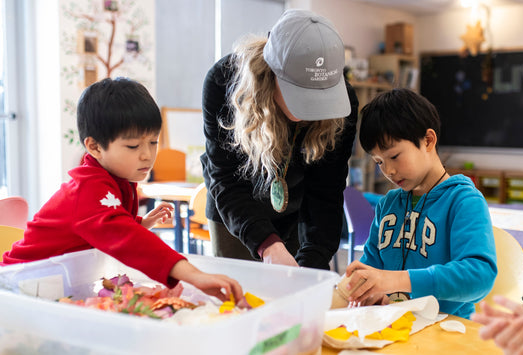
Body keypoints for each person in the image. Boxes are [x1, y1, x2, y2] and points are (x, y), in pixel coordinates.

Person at [2, 78, 243, 303]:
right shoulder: (88, 189)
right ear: (95, 146)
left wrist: (139, 222)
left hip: (54, 284)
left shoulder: (116, 179)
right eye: (132, 145)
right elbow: (124, 237)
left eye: (153, 142)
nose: (147, 155)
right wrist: (192, 274)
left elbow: (107, 227)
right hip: (19, 285)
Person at [201, 9, 359, 270]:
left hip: (297, 210)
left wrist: (312, 263)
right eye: (300, 95)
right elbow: (226, 180)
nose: (310, 111)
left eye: (319, 98)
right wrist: (268, 245)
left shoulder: (344, 106)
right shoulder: (224, 82)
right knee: (241, 298)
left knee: (300, 290)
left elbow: (327, 192)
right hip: (235, 209)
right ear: (271, 72)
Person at [342, 88, 497, 319]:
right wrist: (365, 287)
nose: (388, 171)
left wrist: (396, 280)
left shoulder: (463, 201)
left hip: (447, 331)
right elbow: (372, 268)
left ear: (428, 140)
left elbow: (480, 275)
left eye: (394, 156)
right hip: (396, 328)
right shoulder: (388, 205)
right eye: (378, 162)